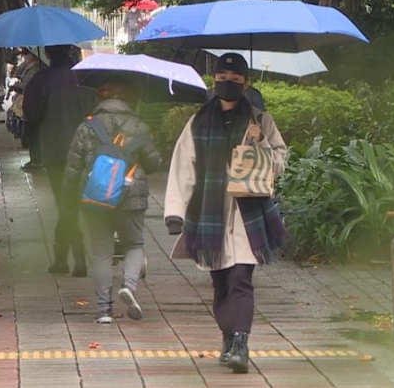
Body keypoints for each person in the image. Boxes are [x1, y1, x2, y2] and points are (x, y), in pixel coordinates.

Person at [163, 52, 287, 374]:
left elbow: (279, 163)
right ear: (214, 80)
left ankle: (240, 343)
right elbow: (183, 166)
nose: (227, 84)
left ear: (245, 83)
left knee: (240, 278)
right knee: (220, 282)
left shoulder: (261, 120)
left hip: (248, 214)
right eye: (222, 78)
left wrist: (260, 145)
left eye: (234, 80)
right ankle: (229, 339)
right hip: (210, 212)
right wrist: (175, 212)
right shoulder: (199, 122)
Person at [63, 78, 160, 324]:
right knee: (134, 244)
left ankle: (104, 310)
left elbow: (73, 166)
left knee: (101, 253)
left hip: (95, 196)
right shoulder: (138, 124)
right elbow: (153, 163)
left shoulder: (88, 126)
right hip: (131, 195)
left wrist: (70, 198)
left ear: (100, 98)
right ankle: (128, 285)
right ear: (129, 98)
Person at [40, 44, 94, 277]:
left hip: (53, 150)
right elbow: (93, 110)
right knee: (73, 203)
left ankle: (70, 257)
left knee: (65, 204)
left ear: (48, 53)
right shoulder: (83, 78)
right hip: (83, 149)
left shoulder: (42, 80)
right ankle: (68, 258)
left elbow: (30, 113)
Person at [13, 50, 44, 169]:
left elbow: (28, 85)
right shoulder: (29, 67)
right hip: (29, 102)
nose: (24, 58)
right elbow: (18, 72)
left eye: (26, 55)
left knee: (34, 133)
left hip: (33, 103)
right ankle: (34, 159)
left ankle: (37, 160)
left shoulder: (35, 69)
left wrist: (17, 86)